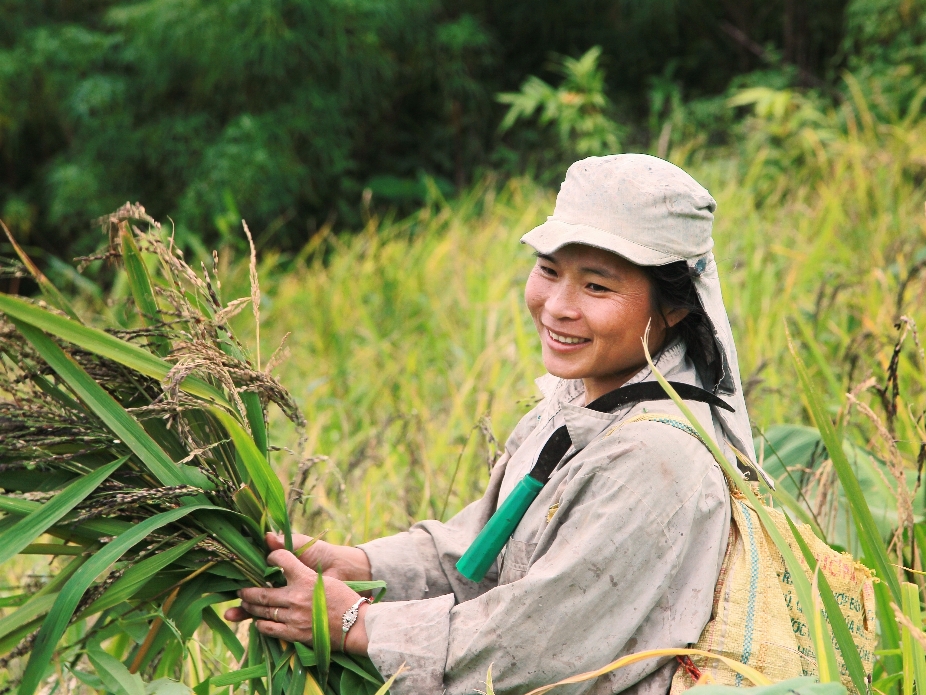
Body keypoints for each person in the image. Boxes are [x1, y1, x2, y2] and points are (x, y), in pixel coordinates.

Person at [225, 154, 768, 694]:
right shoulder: (577, 405)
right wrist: (354, 563)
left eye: (597, 287)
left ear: (675, 307)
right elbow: (483, 553)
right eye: (549, 271)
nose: (557, 306)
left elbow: (536, 647)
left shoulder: (654, 457)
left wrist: (356, 623)